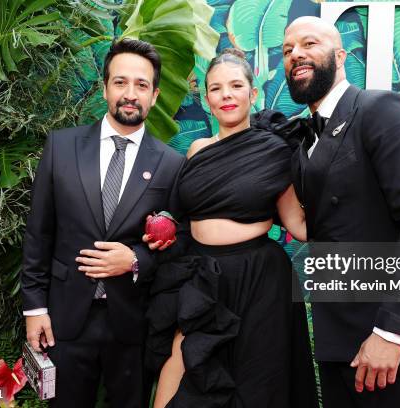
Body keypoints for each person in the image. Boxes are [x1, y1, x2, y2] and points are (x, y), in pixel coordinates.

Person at [282, 16, 400, 408]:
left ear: (340, 56)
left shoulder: (380, 109)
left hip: (382, 332)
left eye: (309, 44)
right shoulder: (306, 136)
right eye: (287, 51)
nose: (296, 54)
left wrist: (392, 331)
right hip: (336, 330)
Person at [145, 48, 318, 408]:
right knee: (177, 375)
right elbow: (181, 218)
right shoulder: (196, 149)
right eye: (216, 88)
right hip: (203, 276)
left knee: (256, 386)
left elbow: (297, 223)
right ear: (207, 99)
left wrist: (360, 223)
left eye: (236, 85)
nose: (226, 94)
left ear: (252, 94)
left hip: (260, 279)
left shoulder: (275, 149)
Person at [21, 39, 184, 408]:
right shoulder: (61, 147)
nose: (130, 94)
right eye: (121, 82)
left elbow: (180, 246)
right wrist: (34, 310)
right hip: (63, 319)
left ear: (155, 95)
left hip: (132, 324)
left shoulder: (171, 164)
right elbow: (38, 234)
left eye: (141, 85)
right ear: (105, 88)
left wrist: (136, 260)